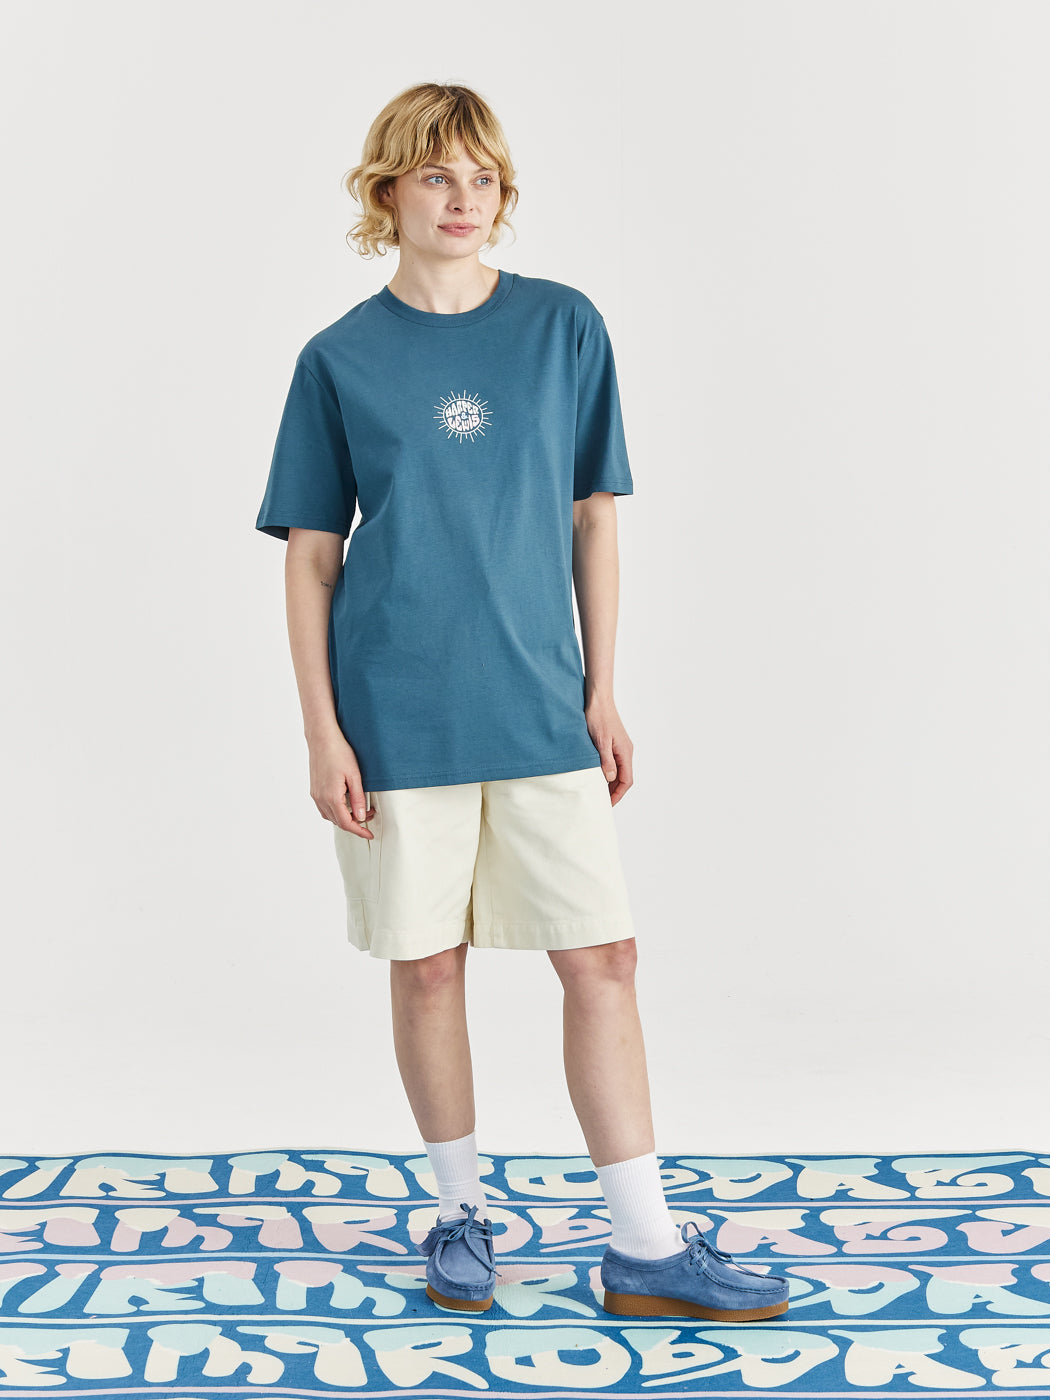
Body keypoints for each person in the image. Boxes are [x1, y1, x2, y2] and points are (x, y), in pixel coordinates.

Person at [255, 81, 789, 1322]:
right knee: (427, 968)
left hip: (542, 702)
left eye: (484, 178)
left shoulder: (564, 327)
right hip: (397, 712)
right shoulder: (338, 358)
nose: (464, 200)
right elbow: (312, 556)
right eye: (437, 175)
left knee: (603, 954)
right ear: (386, 190)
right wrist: (322, 730)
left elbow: (594, 515)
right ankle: (459, 1214)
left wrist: (603, 687)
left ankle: (644, 1243)